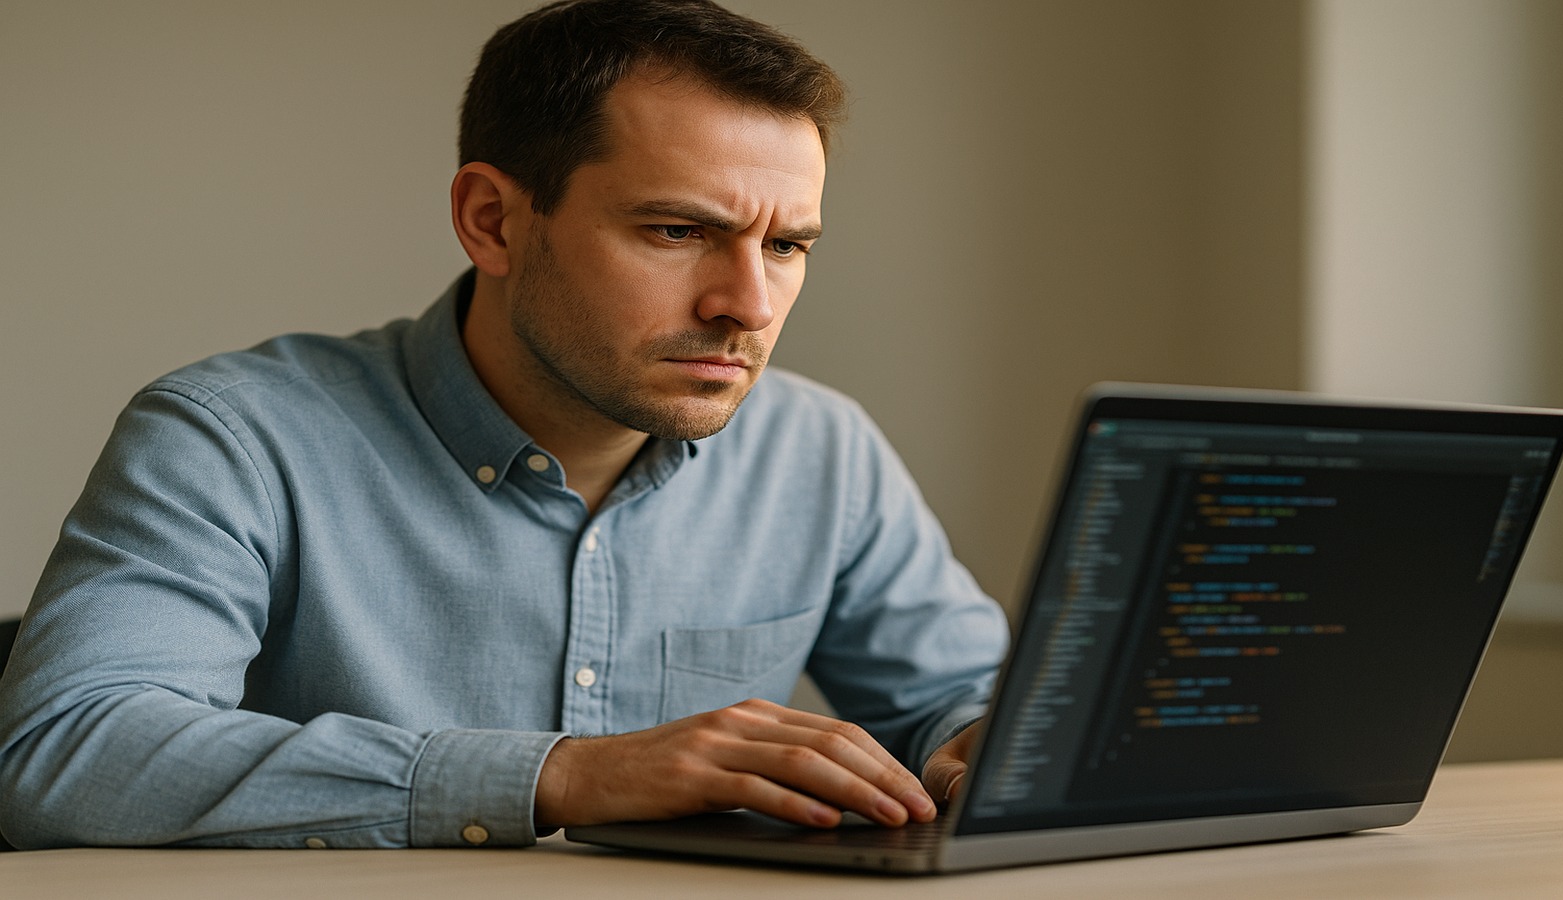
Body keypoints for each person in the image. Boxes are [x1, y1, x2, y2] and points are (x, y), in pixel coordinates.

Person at [0, 0, 1007, 850]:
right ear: (492, 220)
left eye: (786, 244)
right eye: (677, 230)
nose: (746, 303)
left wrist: (988, 744)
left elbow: (962, 700)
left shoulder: (820, 450)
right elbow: (68, 751)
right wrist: (560, 778)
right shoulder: (233, 437)